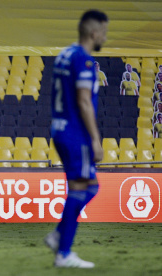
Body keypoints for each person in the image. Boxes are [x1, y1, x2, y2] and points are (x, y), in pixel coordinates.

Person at [45, 10, 108, 268]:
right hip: (75, 132)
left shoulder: (65, 54)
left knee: (91, 187)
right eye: (104, 32)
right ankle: (64, 252)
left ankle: (59, 236)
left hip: (59, 128)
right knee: (82, 189)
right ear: (94, 33)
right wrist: (95, 139)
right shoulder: (83, 60)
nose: (105, 36)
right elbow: (83, 100)